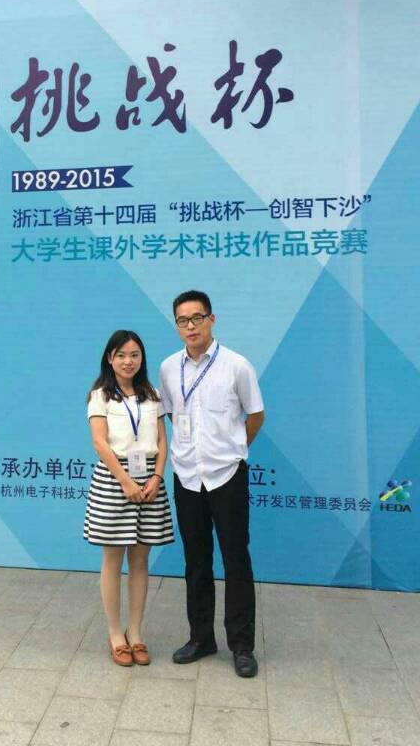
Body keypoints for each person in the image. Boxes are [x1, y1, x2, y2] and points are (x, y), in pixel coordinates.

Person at [159, 291, 265, 679]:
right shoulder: (168, 368)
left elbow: (256, 415)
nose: (190, 326)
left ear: (211, 319)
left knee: (236, 560)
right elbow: (172, 415)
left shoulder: (236, 365)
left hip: (226, 476)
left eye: (197, 318)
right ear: (177, 325)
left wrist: (234, 450)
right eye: (182, 320)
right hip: (187, 476)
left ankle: (242, 646)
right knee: (196, 560)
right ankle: (201, 638)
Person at [84, 329, 174, 667]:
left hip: (150, 480)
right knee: (112, 559)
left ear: (142, 358)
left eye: (134, 355)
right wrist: (125, 481)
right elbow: (99, 442)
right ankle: (115, 635)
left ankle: (135, 633)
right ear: (110, 358)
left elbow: (162, 441)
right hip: (114, 479)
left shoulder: (152, 395)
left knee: (140, 560)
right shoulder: (100, 396)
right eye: (121, 355)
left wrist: (157, 477)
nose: (128, 361)